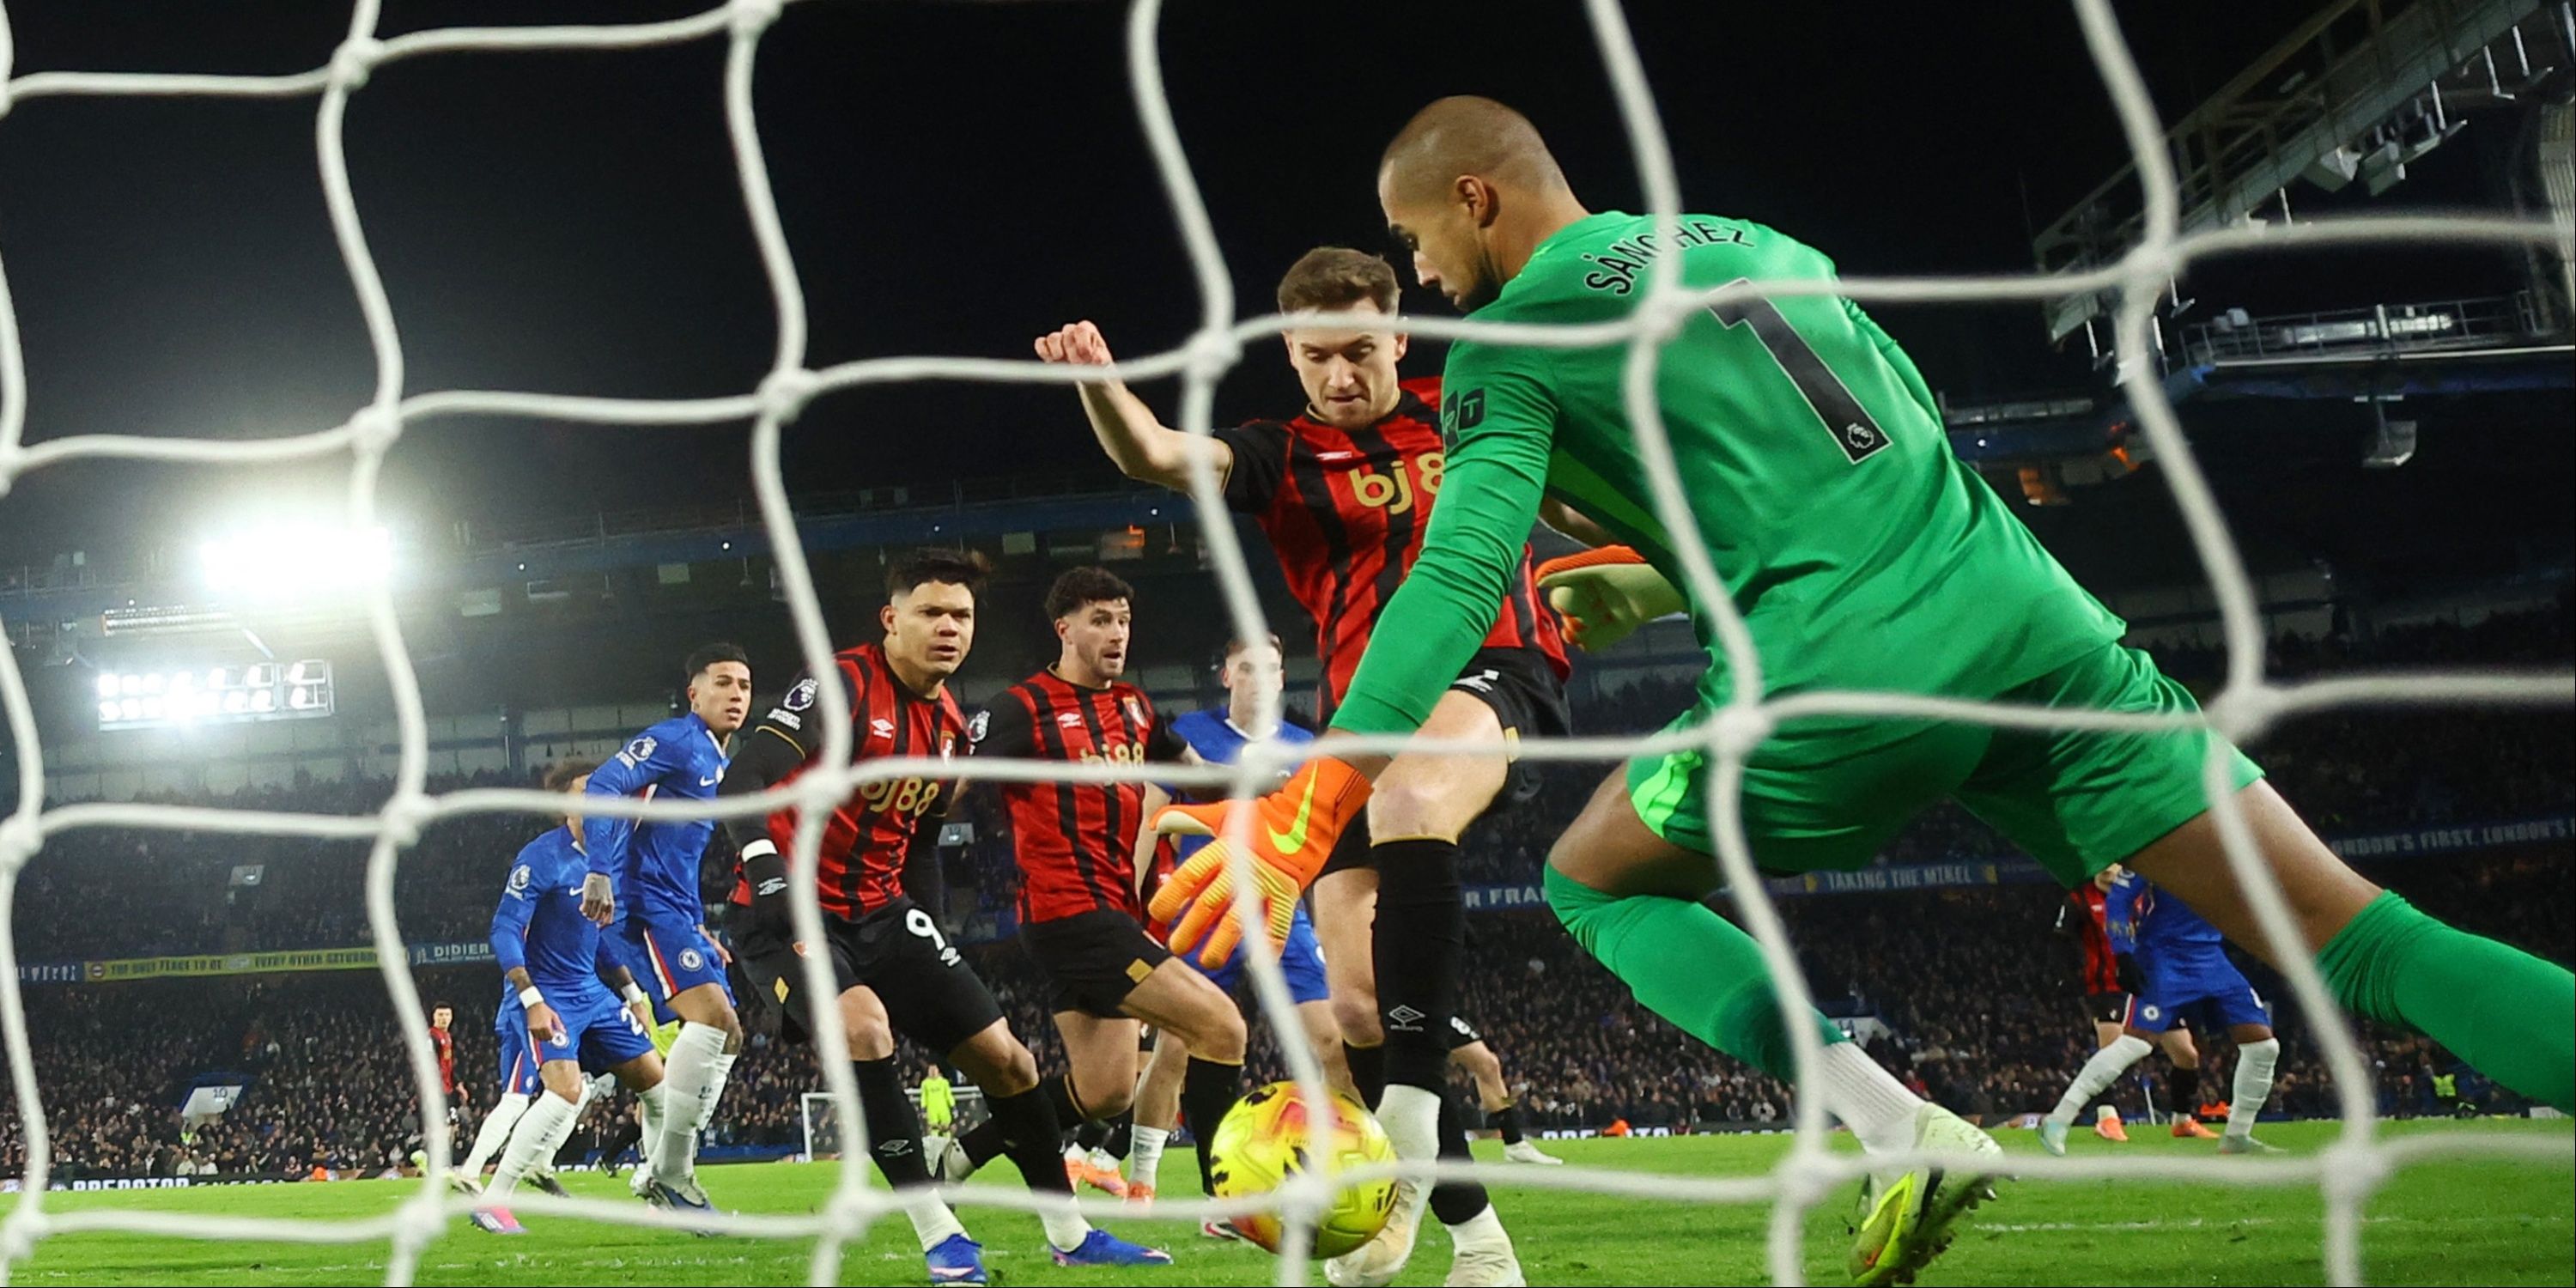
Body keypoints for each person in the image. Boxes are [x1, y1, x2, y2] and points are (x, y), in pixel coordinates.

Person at [1147, 94, 2573, 1287]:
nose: (1428, 274)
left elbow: (1455, 580)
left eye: (1417, 242)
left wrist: (1317, 789)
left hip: (1840, 664)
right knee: (2361, 934)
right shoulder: (1773, 247)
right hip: (2033, 621)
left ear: (1475, 201)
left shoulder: (1516, 344)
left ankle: (1890, 1125)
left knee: (1594, 878)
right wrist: (1659, 579)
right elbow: (1859, 448)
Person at [1038, 246, 1552, 1288]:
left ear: (1400, 340)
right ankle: (1477, 1244)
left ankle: (1399, 1143)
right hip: (1362, 723)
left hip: (1493, 672)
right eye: (1319, 358)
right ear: (1292, 355)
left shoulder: (1470, 414)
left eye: (1362, 351)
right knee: (1355, 1011)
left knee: (1408, 797)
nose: (1342, 375)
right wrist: (1101, 382)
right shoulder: (1282, 454)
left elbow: (1585, 492)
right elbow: (1154, 455)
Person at [717, 549, 1168, 1273]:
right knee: (864, 1029)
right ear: (891, 621)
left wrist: (927, 926)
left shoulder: (954, 726)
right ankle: (939, 1234)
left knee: (1012, 1062)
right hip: (786, 915)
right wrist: (767, 875)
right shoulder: (844, 685)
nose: (948, 627)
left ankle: (1071, 1235)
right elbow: (746, 776)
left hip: (884, 913)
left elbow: (921, 840)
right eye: (930, 612)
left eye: (961, 615)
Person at [960, 568, 1238, 1238]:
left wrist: (1274, 787)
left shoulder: (1137, 708)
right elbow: (953, 782)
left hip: (1105, 913)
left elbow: (1190, 771)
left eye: (1123, 620)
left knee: (1107, 1089)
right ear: (1065, 629)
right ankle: (1228, 1204)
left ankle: (964, 1152)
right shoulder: (1021, 708)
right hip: (1071, 913)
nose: (1117, 634)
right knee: (1221, 1028)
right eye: (1100, 621)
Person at [582, 644, 754, 1220]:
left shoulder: (716, 759)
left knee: (728, 1035)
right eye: (723, 683)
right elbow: (602, 785)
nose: (736, 695)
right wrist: (600, 871)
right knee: (713, 1020)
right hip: (643, 903)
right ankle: (673, 1176)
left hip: (676, 908)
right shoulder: (677, 741)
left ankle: (660, 1166)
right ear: (695, 693)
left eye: (745, 686)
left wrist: (698, 924)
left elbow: (676, 849)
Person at [468, 762, 669, 1235]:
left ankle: (663, 1187)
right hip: (548, 993)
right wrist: (531, 997)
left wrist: (631, 991)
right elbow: (503, 930)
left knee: (659, 1090)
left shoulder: (606, 857)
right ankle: (494, 1199)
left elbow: (596, 938)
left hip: (591, 991)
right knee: (565, 1091)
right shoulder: (541, 858)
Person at [2041, 872, 2281, 1155]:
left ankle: (2237, 1135)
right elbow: (2119, 898)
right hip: (2163, 958)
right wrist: (2123, 952)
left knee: (2263, 1046)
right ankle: (2058, 1119)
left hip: (2211, 957)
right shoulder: (2163, 844)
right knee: (2134, 1044)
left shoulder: (2228, 849)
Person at [2053, 865, 2209, 1143]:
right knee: (2111, 1052)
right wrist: (2069, 975)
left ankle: (2183, 1120)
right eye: (2100, 865)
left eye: (2113, 864)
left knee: (2187, 1055)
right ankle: (2107, 1118)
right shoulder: (2079, 899)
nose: (2106, 870)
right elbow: (2061, 939)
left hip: (2151, 987)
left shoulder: (2141, 897)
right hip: (2107, 987)